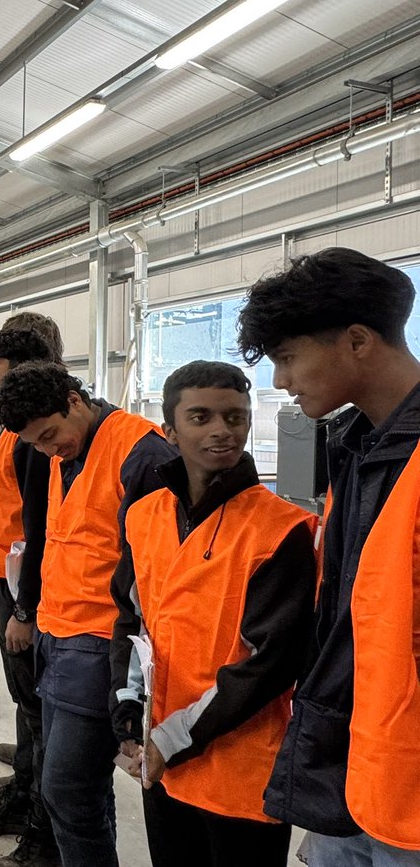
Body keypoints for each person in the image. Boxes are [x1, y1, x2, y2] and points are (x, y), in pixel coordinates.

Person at [236, 248, 420, 865]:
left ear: (358, 341)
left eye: (288, 358)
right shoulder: (355, 448)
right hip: (349, 755)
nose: (281, 381)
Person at [110, 361, 317, 867]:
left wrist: (170, 739)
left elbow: (270, 665)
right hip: (162, 760)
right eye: (201, 417)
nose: (222, 431)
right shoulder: (144, 516)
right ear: (169, 429)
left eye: (235, 417)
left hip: (239, 767)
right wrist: (126, 708)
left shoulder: (282, 531)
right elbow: (131, 622)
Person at [0, 362, 175, 867]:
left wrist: (133, 675)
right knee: (79, 790)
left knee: (68, 789)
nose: (49, 449)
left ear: (75, 400)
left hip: (100, 643)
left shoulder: (142, 453)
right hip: (60, 634)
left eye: (50, 434)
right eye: (36, 444)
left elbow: (161, 568)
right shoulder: (62, 454)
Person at [0, 319, 63, 867]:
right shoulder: (10, 430)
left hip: (26, 591)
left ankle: (34, 818)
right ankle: (25, 788)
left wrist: (23, 605)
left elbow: (39, 527)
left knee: (38, 709)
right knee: (29, 708)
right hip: (6, 582)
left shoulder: (31, 439)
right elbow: (5, 522)